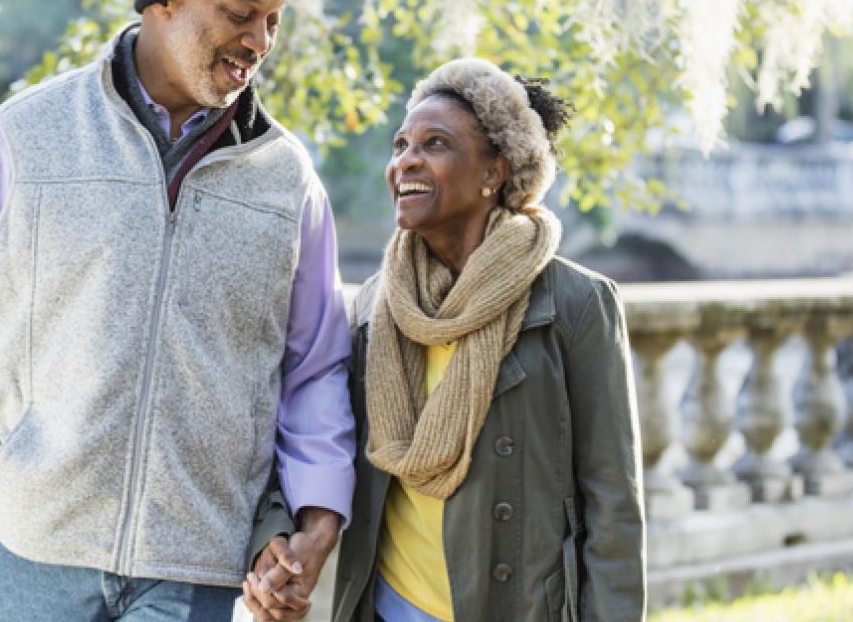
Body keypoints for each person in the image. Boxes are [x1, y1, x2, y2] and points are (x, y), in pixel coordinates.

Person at [0, 0, 354, 621]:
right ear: (164, 1)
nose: (260, 41)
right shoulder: (23, 139)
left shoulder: (286, 180)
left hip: (195, 565)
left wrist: (318, 519)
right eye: (241, 13)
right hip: (29, 556)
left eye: (273, 20)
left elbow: (314, 367)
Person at [248, 58, 646, 621]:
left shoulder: (574, 304)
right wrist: (279, 536)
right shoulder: (373, 306)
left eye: (435, 144)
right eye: (400, 144)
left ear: (494, 172)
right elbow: (313, 428)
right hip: (387, 606)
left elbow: (613, 504)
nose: (405, 160)